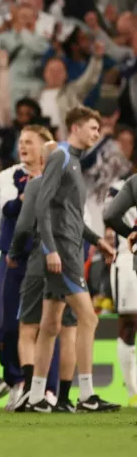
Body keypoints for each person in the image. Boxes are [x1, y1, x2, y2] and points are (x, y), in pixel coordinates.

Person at [18, 106, 119, 412]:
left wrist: (97, 240)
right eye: (93, 128)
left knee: (50, 325)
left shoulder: (72, 162)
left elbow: (71, 216)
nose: (96, 134)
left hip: (69, 248)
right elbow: (42, 207)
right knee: (88, 318)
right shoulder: (61, 156)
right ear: (75, 127)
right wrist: (50, 249)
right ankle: (87, 395)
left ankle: (36, 397)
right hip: (62, 253)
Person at [7, 140, 81, 413]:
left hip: (42, 261)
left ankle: (31, 391)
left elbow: (25, 226)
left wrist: (13, 253)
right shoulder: (74, 187)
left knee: (29, 327)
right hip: (72, 261)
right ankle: (64, 398)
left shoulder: (38, 185)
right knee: (68, 331)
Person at [101, 173, 137, 407]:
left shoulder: (126, 184)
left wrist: (132, 234)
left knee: (129, 325)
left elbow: (110, 215)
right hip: (126, 257)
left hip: (129, 257)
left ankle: (134, 392)